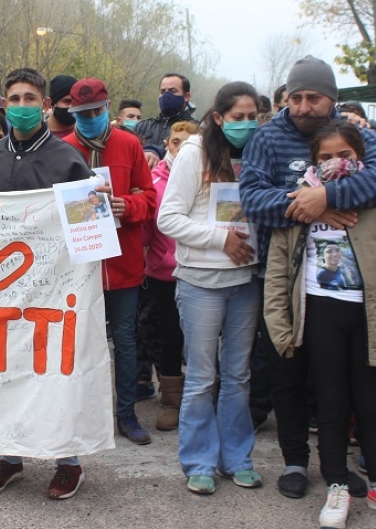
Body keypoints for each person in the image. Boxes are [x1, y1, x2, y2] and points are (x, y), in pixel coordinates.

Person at [240, 56, 376, 501]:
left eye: (313, 97)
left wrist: (326, 194)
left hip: (344, 286)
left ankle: (336, 465)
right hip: (284, 278)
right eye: (295, 98)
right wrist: (315, 208)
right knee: (287, 372)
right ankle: (294, 460)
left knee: (334, 383)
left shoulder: (357, 137)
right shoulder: (267, 139)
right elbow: (253, 200)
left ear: (332, 97)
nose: (304, 107)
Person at [264, 121, 376, 527]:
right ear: (314, 161)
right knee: (332, 404)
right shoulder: (299, 203)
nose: (336, 163)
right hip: (321, 314)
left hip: (372, 316)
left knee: (371, 405)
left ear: (360, 157)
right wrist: (281, 325)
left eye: (345, 156)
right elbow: (279, 268)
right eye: (326, 157)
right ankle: (336, 485)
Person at [0, 68, 93, 500]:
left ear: (46, 105)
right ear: (3, 102)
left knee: (56, 369)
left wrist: (100, 207)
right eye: (13, 98)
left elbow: (87, 226)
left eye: (30, 98)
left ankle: (68, 461)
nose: (21, 106)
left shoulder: (68, 158)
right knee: (2, 369)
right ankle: (9, 456)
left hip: (54, 287)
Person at [157, 81, 263, 495]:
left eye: (253, 117)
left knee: (238, 376)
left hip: (246, 282)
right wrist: (220, 240)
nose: (247, 124)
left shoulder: (258, 153)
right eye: (238, 118)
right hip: (201, 281)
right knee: (202, 377)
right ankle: (199, 460)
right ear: (219, 117)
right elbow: (169, 218)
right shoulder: (194, 153)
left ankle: (237, 457)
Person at [63, 78, 156, 446]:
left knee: (125, 341)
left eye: (95, 111)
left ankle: (127, 414)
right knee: (82, 343)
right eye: (81, 114)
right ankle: (85, 415)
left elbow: (149, 197)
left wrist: (127, 204)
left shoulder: (129, 145)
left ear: (108, 108)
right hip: (79, 266)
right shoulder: (64, 148)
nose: (89, 118)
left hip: (122, 262)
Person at [136, 122, 196, 430]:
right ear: (166, 145)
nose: (180, 149)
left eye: (188, 143)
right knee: (170, 337)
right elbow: (145, 228)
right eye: (175, 143)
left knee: (201, 340)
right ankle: (171, 401)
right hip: (163, 273)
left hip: (201, 271)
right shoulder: (155, 181)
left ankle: (201, 400)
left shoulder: (208, 178)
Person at [136, 73, 196, 168]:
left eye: (172, 91)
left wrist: (157, 151)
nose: (166, 95)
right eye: (163, 91)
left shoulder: (195, 129)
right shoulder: (143, 126)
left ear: (186, 96)